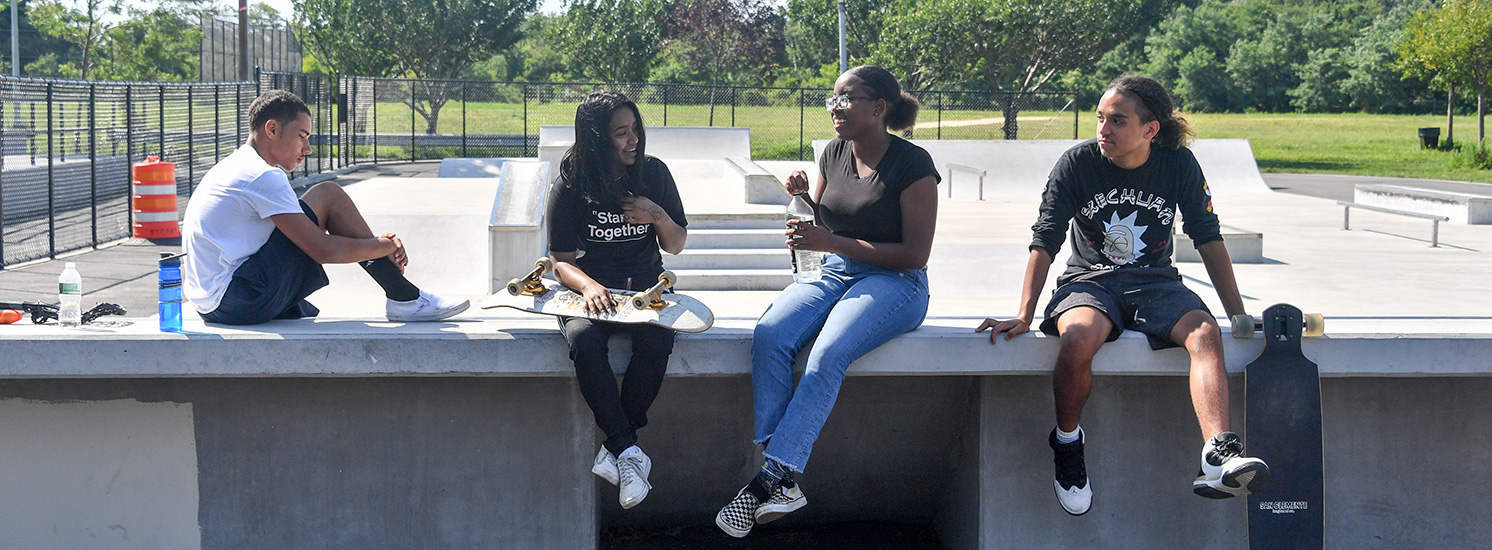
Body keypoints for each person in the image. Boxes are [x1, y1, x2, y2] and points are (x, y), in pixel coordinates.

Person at [976, 75, 1268, 516]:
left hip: (1155, 282)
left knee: (1205, 333)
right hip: (1089, 281)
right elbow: (1045, 239)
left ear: (1150, 130)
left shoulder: (1178, 165)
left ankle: (1217, 453)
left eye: (1117, 121)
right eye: (1100, 118)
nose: (1103, 130)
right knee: (1078, 338)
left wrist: (1237, 313)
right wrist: (1023, 314)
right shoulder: (1077, 163)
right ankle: (1068, 443)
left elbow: (1207, 236)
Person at [715, 66, 939, 538]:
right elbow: (825, 224)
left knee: (827, 354)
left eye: (845, 99)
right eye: (831, 99)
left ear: (878, 108)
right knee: (771, 334)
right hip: (836, 271)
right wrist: (803, 204)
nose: (833, 107)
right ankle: (784, 477)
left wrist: (829, 240)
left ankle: (771, 477)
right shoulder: (833, 153)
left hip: (896, 282)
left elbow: (915, 254)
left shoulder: (913, 165)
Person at [183, 90, 468, 325]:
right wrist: (383, 246)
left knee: (305, 308)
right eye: (302, 136)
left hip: (212, 303)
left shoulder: (236, 166)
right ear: (271, 129)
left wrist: (376, 245)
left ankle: (401, 295)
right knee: (328, 195)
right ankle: (404, 296)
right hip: (236, 299)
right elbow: (323, 250)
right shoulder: (262, 174)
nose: (307, 149)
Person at [545, 91, 688, 510]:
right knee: (585, 341)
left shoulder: (654, 174)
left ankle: (618, 450)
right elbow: (560, 262)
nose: (633, 141)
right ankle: (628, 450)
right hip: (593, 293)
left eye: (635, 130)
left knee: (658, 339)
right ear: (595, 140)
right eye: (621, 134)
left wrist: (656, 214)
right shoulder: (569, 185)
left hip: (647, 291)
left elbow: (676, 244)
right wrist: (588, 286)